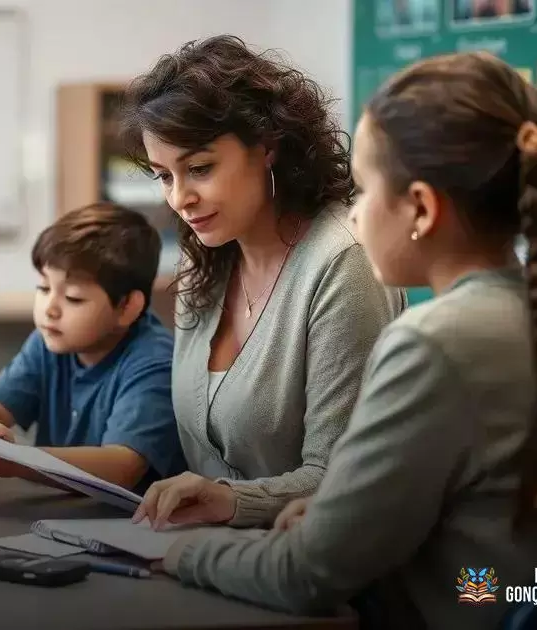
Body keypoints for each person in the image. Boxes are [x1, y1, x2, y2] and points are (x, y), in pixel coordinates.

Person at [141, 52, 537, 630]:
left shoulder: (433, 343)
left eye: (363, 191)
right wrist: (336, 516)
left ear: (422, 209)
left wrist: (179, 555)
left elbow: (308, 576)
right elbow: (512, 554)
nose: (353, 216)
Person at [120, 35, 405, 527]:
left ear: (267, 146)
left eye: (200, 168)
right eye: (164, 176)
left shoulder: (344, 263)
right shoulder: (205, 261)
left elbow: (338, 478)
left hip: (312, 577)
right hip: (203, 556)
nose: (180, 199)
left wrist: (228, 500)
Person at [0, 202, 186, 491]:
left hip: (132, 527)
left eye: (73, 298)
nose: (50, 309)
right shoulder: (49, 341)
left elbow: (123, 466)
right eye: (44, 288)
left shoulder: (153, 362)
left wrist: (15, 459)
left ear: (127, 306)